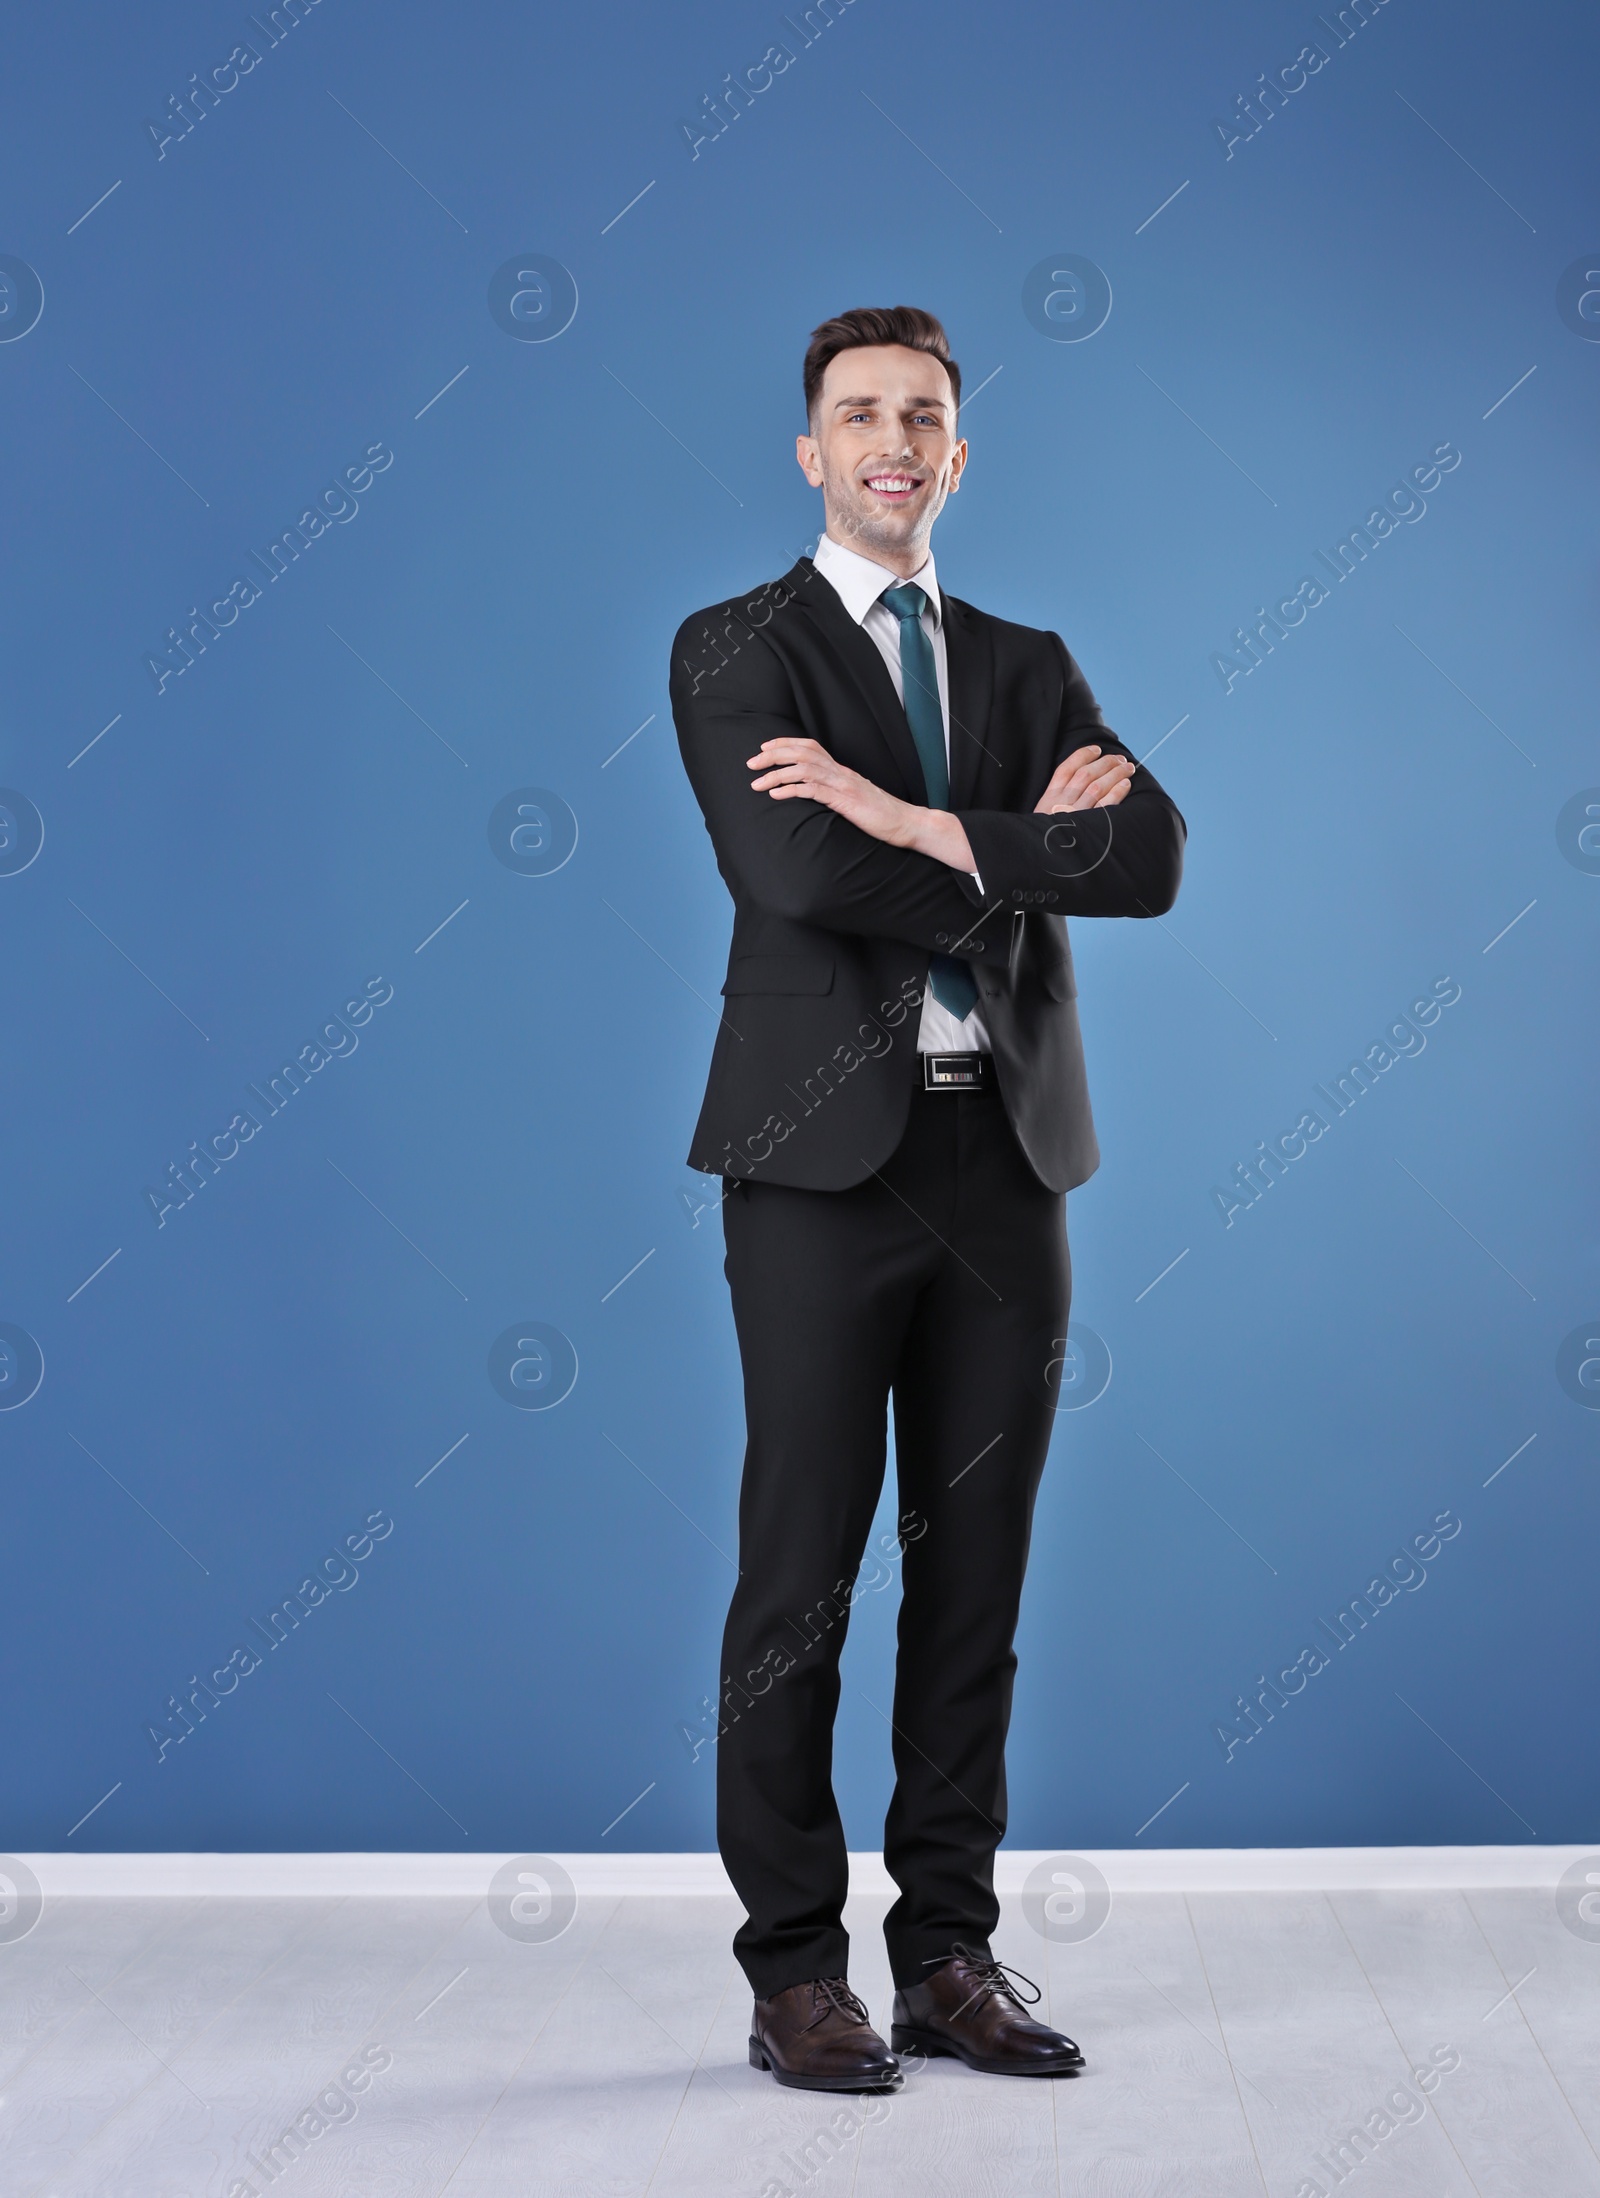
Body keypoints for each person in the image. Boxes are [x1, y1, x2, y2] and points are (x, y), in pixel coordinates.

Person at [669, 305, 1185, 2090]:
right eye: (859, 413)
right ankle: (794, 1965)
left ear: (959, 453)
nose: (893, 437)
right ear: (810, 448)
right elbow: (782, 864)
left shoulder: (1032, 660)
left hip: (1007, 1160)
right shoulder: (733, 645)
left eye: (925, 414)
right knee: (797, 1576)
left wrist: (905, 819)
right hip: (816, 1167)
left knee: (976, 1578)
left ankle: (947, 1950)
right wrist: (1010, 849)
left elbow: (1152, 856)